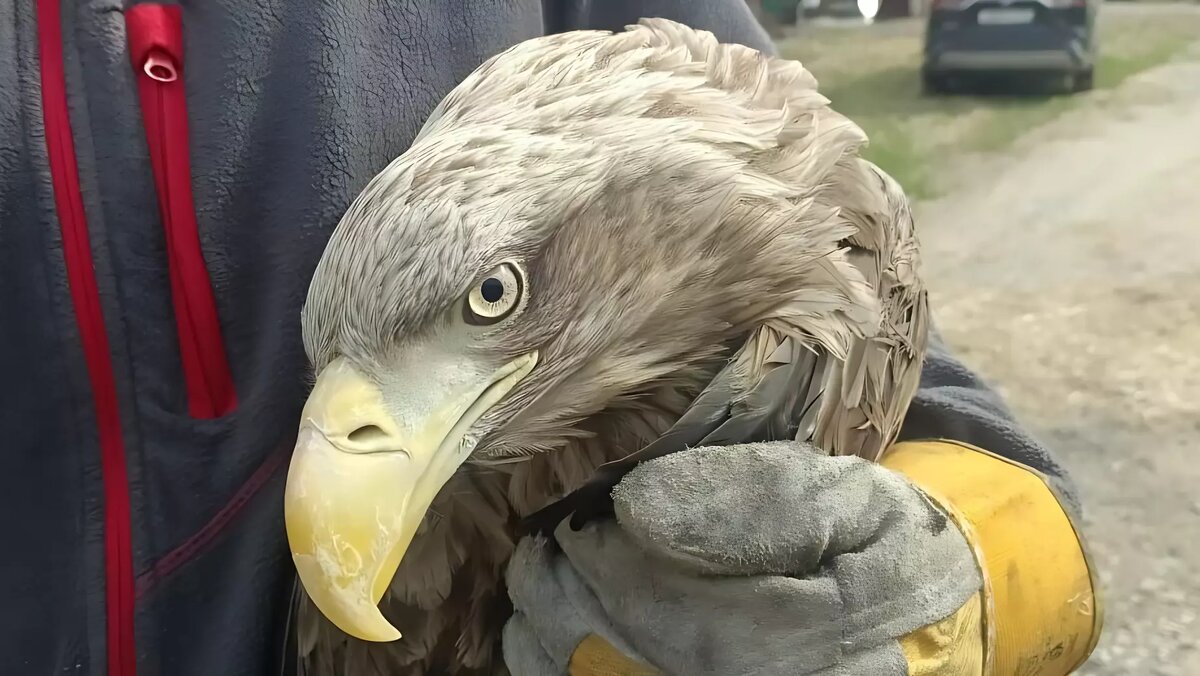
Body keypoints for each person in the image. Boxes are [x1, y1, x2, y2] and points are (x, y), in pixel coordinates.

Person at [0, 1, 1098, 674]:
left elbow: (900, 343)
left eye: (492, 298)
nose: (350, 443)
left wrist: (961, 575)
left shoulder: (754, 168)